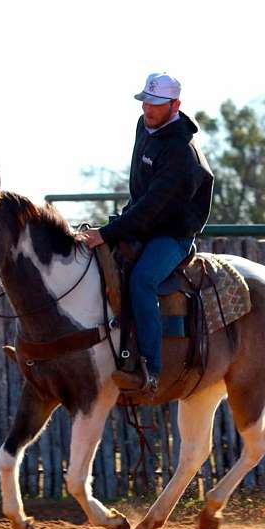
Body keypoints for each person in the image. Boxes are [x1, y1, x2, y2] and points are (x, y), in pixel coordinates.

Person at [78, 72, 214, 396]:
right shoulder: (145, 126)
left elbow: (155, 206)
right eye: (145, 102)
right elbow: (142, 193)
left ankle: (150, 369)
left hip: (173, 234)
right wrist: (120, 223)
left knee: (142, 280)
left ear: (175, 105)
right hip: (144, 221)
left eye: (156, 104)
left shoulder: (182, 152)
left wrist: (108, 232)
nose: (148, 110)